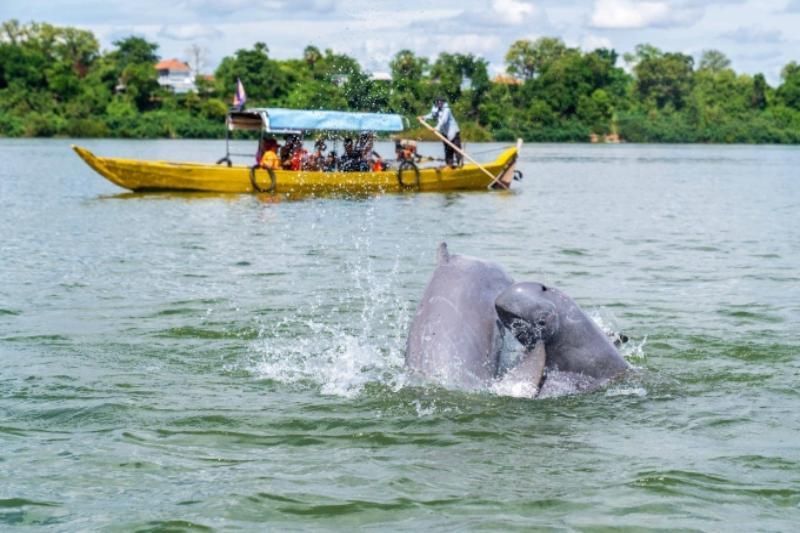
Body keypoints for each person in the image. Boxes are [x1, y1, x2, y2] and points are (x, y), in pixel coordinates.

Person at [419, 97, 462, 168]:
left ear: (442, 102)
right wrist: (423, 117)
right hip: (445, 134)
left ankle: (460, 164)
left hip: (453, 133)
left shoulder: (447, 110)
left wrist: (436, 128)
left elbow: (443, 120)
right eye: (437, 102)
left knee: (457, 149)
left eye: (440, 102)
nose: (438, 103)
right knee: (448, 150)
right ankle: (449, 165)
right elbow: (432, 115)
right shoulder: (437, 110)